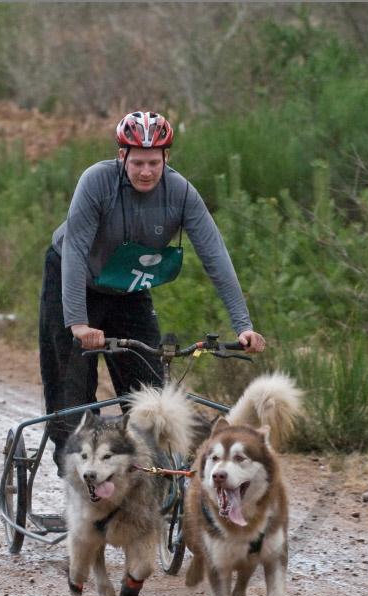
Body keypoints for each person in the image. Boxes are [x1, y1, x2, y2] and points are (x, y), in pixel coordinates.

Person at [39, 110, 265, 473]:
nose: (146, 171)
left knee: (149, 394)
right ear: (122, 156)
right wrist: (78, 324)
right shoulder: (96, 182)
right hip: (74, 280)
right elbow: (76, 253)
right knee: (71, 392)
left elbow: (216, 258)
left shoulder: (181, 192)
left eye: (154, 163)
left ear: (166, 159)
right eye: (138, 162)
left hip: (128, 286)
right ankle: (80, 480)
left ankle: (140, 478)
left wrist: (243, 325)